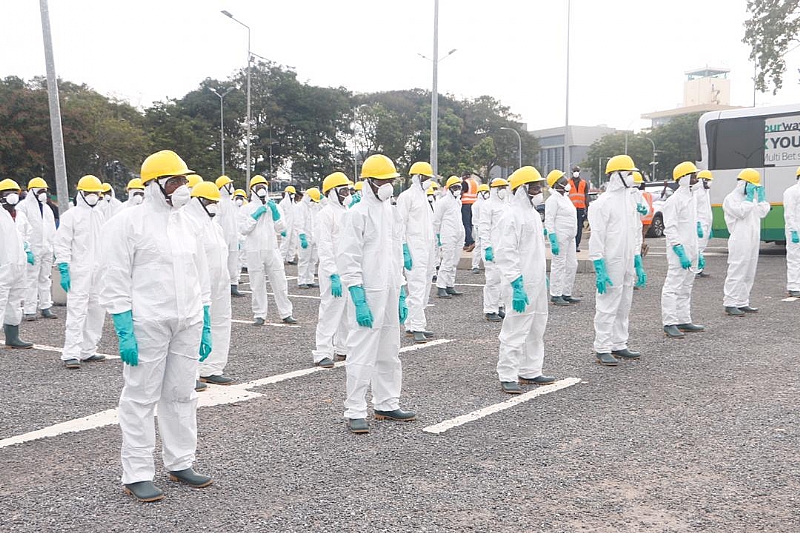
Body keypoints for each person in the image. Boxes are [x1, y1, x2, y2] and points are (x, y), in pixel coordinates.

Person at [98, 150, 213, 503]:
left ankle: (180, 462)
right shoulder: (127, 223)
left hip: (187, 320)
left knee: (182, 394)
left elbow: (201, 272)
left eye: (185, 180)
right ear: (154, 186)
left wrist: (205, 319)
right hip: (147, 323)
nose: (183, 187)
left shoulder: (190, 222)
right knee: (140, 398)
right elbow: (115, 276)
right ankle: (136, 474)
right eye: (175, 181)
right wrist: (123, 327)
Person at [337, 154, 414, 434]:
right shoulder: (357, 213)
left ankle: (386, 403)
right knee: (361, 352)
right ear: (368, 182)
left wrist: (402, 291)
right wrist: (358, 297)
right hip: (367, 292)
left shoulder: (392, 211)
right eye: (382, 181)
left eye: (391, 181)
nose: (388, 186)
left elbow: (394, 254)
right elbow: (348, 257)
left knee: (389, 351)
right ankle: (355, 409)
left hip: (391, 290)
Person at [495, 166, 555, 394]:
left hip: (536, 281)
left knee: (537, 326)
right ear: (521, 189)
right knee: (516, 327)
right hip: (519, 282)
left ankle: (530, 370)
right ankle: (508, 374)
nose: (538, 190)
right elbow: (506, 252)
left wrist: (542, 277)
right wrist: (515, 282)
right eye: (534, 186)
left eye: (539, 185)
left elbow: (535, 251)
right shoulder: (510, 215)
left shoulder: (532, 214)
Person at [588, 155, 643, 366]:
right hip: (611, 261)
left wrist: (637, 259)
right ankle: (602, 347)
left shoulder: (630, 201)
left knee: (624, 303)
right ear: (617, 175)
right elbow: (597, 237)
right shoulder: (603, 203)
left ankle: (619, 343)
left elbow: (635, 231)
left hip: (628, 260)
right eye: (628, 173)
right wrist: (599, 266)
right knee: (607, 304)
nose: (632, 176)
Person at [54, 175, 107, 368]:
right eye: (89, 193)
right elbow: (62, 243)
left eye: (96, 193)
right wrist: (63, 267)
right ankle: (71, 353)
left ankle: (88, 350)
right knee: (77, 313)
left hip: (98, 273)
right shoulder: (71, 215)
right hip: (78, 272)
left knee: (97, 311)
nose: (93, 196)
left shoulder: (100, 215)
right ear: (81, 194)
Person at [185, 181, 234, 385]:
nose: (212, 205)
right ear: (196, 201)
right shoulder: (190, 225)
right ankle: (191, 373)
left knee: (221, 324)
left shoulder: (215, 226)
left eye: (214, 201)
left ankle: (212, 367)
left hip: (220, 284)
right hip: (199, 286)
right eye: (207, 201)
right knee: (194, 329)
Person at [237, 175, 297, 326]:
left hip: (272, 249)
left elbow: (282, 228)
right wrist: (255, 216)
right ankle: (259, 314)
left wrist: (275, 214)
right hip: (253, 250)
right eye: (258, 187)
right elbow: (243, 229)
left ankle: (286, 313)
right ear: (252, 190)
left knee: (280, 281)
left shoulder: (274, 207)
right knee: (257, 283)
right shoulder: (246, 209)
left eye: (264, 186)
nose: (262, 189)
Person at [661, 162, 705, 338]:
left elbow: (691, 227)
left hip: (692, 249)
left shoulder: (692, 198)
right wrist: (679, 249)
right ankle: (669, 322)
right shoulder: (674, 200)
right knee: (673, 286)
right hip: (679, 250)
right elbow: (670, 228)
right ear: (683, 178)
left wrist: (698, 252)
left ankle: (683, 319)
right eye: (692, 176)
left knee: (687, 286)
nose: (696, 179)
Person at [312, 172, 352, 368]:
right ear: (332, 193)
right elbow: (324, 247)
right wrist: (332, 273)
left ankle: (343, 349)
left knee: (347, 312)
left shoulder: (348, 212)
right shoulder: (324, 214)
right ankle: (322, 352)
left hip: (348, 270)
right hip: (332, 272)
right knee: (329, 311)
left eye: (348, 190)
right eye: (343, 190)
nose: (347, 194)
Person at [396, 162, 437, 344]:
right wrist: (404, 248)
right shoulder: (407, 197)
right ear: (418, 177)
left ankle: (413, 323)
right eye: (426, 178)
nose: (429, 181)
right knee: (417, 287)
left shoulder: (424, 198)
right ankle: (418, 327)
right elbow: (400, 225)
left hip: (426, 248)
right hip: (414, 248)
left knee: (426, 284)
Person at [722, 168, 770, 316]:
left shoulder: (751, 199)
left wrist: (761, 199)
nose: (752, 189)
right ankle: (730, 303)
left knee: (749, 271)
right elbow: (741, 213)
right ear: (742, 183)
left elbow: (762, 213)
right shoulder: (730, 199)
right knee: (737, 270)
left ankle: (742, 301)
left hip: (752, 238)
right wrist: (749, 199)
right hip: (739, 239)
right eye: (751, 185)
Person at [17, 177, 58, 320]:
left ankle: (46, 306)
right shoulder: (23, 207)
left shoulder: (47, 208)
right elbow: (20, 229)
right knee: (31, 279)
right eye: (40, 190)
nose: (43, 193)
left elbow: (52, 229)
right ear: (32, 191)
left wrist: (54, 248)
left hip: (46, 249)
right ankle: (29, 310)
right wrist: (25, 248)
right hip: (32, 249)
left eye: (45, 191)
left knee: (45, 278)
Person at [0, 179, 34, 349]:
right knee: (0, 301)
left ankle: (13, 337)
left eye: (15, 192)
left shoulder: (20, 215)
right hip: (2, 266)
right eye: (8, 193)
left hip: (19, 266)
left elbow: (27, 234)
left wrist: (27, 248)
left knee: (15, 301)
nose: (12, 196)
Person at [544, 170, 580, 307]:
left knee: (572, 265)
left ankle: (566, 293)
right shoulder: (552, 200)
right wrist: (552, 238)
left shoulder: (565, 197)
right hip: (559, 237)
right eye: (563, 180)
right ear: (556, 184)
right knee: (559, 265)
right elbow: (549, 220)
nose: (567, 182)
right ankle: (556, 294)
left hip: (570, 236)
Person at [478, 177, 510, 322]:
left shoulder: (506, 205)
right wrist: (487, 247)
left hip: (504, 247)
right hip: (492, 247)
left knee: (504, 279)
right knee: (492, 280)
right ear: (495, 190)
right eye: (501, 187)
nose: (504, 190)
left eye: (505, 187)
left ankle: (499, 306)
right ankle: (490, 309)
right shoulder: (487, 205)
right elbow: (483, 228)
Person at [433, 176, 465, 298]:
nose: (457, 189)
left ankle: (450, 285)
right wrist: (438, 235)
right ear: (449, 189)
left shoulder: (458, 201)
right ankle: (441, 287)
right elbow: (436, 220)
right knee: (447, 261)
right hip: (448, 234)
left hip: (458, 234)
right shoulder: (443, 202)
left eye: (459, 187)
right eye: (455, 187)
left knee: (454, 262)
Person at [214, 176, 244, 298]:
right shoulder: (218, 203)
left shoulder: (232, 204)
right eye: (229, 184)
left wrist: (238, 237)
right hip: (223, 238)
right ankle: (223, 287)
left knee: (233, 262)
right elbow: (216, 222)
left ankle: (233, 285)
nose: (232, 187)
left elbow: (236, 222)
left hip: (233, 238)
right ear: (223, 187)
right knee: (222, 262)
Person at [297, 188, 321, 289]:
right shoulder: (300, 207)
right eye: (312, 200)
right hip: (305, 237)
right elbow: (298, 223)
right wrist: (302, 236)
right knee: (304, 260)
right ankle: (302, 280)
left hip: (314, 237)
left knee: (313, 260)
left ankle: (310, 280)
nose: (313, 202)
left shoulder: (315, 207)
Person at [695, 170, 713, 277]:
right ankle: (695, 269)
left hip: (706, 224)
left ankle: (699, 268)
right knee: (697, 247)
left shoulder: (706, 193)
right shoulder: (697, 193)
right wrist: (697, 224)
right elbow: (693, 210)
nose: (710, 182)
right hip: (699, 225)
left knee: (702, 247)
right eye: (708, 180)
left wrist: (710, 227)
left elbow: (707, 210)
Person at [785, 167, 800, 297]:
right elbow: (789, 214)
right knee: (794, 258)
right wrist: (793, 230)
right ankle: (793, 286)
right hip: (795, 231)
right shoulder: (791, 192)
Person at [568, 165, 590, 252]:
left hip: (581, 208)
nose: (576, 172)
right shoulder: (568, 183)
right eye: (574, 171)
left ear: (579, 172)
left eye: (577, 170)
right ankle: (571, 245)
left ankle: (576, 245)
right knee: (571, 227)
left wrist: (587, 208)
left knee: (579, 228)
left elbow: (586, 196)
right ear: (572, 172)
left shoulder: (584, 183)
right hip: (571, 209)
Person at [471, 184, 489, 274]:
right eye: (485, 192)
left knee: (486, 246)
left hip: (487, 228)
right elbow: (475, 219)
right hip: (479, 228)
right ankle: (475, 266)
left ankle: (487, 265)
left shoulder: (488, 204)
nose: (487, 194)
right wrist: (478, 228)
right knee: (478, 246)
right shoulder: (476, 205)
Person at [279, 185, 299, 265]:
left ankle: (290, 258)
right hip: (286, 226)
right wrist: (281, 228)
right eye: (291, 193)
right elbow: (280, 216)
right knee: (285, 243)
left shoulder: (294, 204)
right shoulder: (282, 203)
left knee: (293, 242)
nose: (292, 195)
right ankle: (281, 258)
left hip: (293, 226)